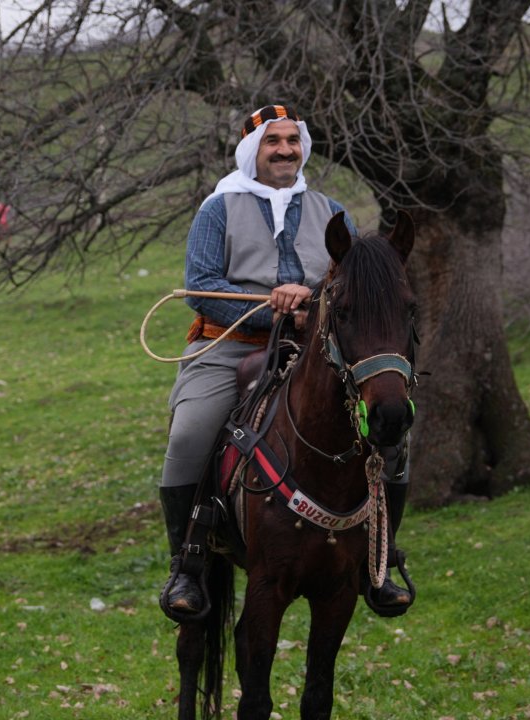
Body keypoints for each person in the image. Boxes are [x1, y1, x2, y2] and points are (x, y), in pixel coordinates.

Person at [158, 103, 413, 617]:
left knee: (395, 428)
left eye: (292, 141)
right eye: (273, 142)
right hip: (232, 344)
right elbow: (202, 287)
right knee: (191, 431)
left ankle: (378, 559)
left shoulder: (330, 210)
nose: (284, 150)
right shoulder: (219, 208)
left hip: (319, 348)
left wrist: (311, 304)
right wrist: (270, 306)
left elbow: (355, 284)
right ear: (254, 151)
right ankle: (187, 563)